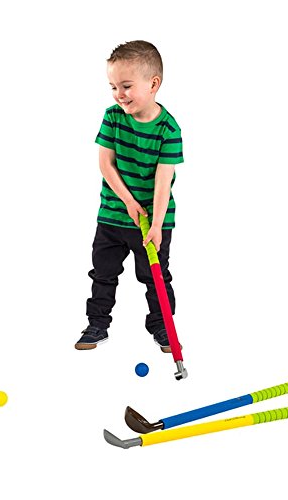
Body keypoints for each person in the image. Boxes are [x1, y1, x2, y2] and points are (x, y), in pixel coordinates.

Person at [75, 40, 184, 352]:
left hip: (153, 222)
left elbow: (163, 182)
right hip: (113, 215)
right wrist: (128, 202)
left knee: (155, 277)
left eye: (126, 86)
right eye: (113, 87)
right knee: (103, 273)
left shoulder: (168, 130)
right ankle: (97, 324)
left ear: (153, 84)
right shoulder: (113, 117)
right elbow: (105, 165)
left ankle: (163, 327)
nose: (119, 94)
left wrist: (156, 225)